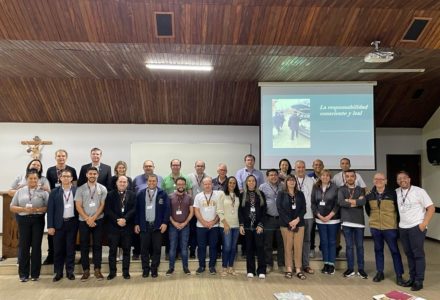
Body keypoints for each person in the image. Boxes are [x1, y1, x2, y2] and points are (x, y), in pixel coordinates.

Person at [395, 171, 435, 291]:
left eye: (405, 178)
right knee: (409, 254)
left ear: (409, 179)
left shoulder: (419, 191)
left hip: (416, 227)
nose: (402, 180)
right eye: (399, 179)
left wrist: (424, 224)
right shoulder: (396, 192)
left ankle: (419, 280)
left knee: (418, 254)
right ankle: (412, 278)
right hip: (403, 227)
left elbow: (431, 208)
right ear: (397, 181)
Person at [10, 169, 49, 282]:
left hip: (38, 220)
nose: (33, 180)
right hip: (23, 220)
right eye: (30, 178)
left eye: (35, 178)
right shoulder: (20, 191)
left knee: (36, 247)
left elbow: (48, 207)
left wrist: (36, 209)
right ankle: (23, 274)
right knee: (24, 247)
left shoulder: (43, 192)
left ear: (38, 179)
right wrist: (23, 209)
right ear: (27, 179)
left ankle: (35, 274)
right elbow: (12, 207)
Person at [365, 172, 404, 285]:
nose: (379, 181)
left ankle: (399, 275)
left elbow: (398, 210)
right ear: (373, 181)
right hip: (375, 227)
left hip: (390, 228)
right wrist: (374, 220)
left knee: (395, 251)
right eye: (376, 179)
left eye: (381, 179)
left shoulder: (393, 194)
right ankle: (380, 272)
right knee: (378, 250)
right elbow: (368, 210)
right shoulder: (370, 195)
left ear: (386, 181)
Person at [74, 166, 107, 281]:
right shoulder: (80, 189)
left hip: (98, 220)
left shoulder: (102, 188)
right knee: (84, 246)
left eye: (94, 174)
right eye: (90, 174)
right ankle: (86, 270)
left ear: (97, 175)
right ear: (87, 175)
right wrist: (87, 219)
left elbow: (102, 205)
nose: (92, 175)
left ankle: (97, 270)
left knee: (97, 245)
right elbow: (78, 205)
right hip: (84, 221)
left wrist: (93, 218)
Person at [45, 149, 78, 265]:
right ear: (55, 157)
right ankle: (52, 258)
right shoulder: (50, 170)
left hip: (71, 215)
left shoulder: (72, 170)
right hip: (57, 203)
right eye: (59, 156)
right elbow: (48, 187)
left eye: (63, 156)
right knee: (55, 243)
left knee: (70, 245)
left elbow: (74, 187)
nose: (61, 158)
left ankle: (70, 269)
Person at [135, 174, 170, 278]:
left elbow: (167, 210)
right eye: (150, 181)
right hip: (144, 225)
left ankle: (154, 269)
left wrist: (164, 223)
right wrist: (137, 223)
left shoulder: (162, 194)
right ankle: (145, 269)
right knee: (144, 249)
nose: (151, 183)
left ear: (157, 182)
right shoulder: (141, 194)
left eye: (154, 181)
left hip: (157, 226)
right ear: (147, 182)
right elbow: (137, 210)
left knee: (157, 249)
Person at [47, 169, 78, 282]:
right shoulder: (54, 192)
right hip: (58, 225)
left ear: (71, 178)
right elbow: (50, 210)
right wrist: (50, 226)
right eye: (63, 176)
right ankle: (58, 272)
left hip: (72, 224)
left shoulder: (76, 191)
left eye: (68, 176)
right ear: (60, 178)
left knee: (70, 249)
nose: (65, 178)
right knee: (58, 250)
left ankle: (70, 271)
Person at [105, 175, 136, 280]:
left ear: (127, 183)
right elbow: (108, 210)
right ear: (116, 183)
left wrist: (125, 219)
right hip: (114, 227)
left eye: (124, 182)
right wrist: (117, 220)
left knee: (127, 251)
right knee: (112, 251)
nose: (122, 184)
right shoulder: (110, 195)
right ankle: (112, 272)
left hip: (127, 227)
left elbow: (134, 209)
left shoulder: (132, 194)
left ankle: (126, 272)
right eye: (120, 182)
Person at [338, 169, 368, 279]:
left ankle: (361, 269)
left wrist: (349, 201)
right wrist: (356, 202)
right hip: (346, 221)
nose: (350, 178)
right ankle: (350, 269)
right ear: (345, 178)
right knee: (349, 246)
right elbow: (341, 202)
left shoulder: (360, 189)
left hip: (359, 222)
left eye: (352, 176)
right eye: (348, 176)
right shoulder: (341, 189)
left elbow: (363, 202)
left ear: (355, 178)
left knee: (360, 246)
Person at [277, 174, 306, 280]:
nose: (291, 182)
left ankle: (298, 269)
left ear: (295, 182)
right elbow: (280, 209)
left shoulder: (300, 194)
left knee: (298, 247)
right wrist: (290, 222)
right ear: (286, 182)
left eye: (293, 180)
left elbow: (303, 208)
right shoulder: (281, 194)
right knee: (288, 247)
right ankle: (289, 268)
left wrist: (297, 220)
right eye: (289, 180)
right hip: (286, 225)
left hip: (300, 224)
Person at [310, 169, 340, 275]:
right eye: (323, 175)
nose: (325, 177)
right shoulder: (316, 187)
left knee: (332, 242)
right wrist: (319, 215)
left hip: (333, 219)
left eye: (327, 175)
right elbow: (313, 203)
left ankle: (331, 264)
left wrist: (329, 216)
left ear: (330, 177)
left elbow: (337, 204)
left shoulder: (335, 187)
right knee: (324, 242)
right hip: (320, 219)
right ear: (320, 177)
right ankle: (326, 263)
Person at [239, 175, 267, 279]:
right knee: (249, 248)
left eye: (253, 181)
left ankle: (261, 270)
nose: (251, 182)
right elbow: (240, 212)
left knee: (260, 247)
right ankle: (250, 270)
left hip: (258, 225)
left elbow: (264, 211)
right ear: (246, 183)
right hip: (247, 226)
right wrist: (241, 224)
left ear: (256, 182)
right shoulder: (242, 195)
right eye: (249, 181)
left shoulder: (261, 194)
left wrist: (261, 224)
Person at [193, 177, 223, 275]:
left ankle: (212, 266)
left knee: (213, 247)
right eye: (205, 184)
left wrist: (213, 222)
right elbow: (196, 211)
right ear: (202, 185)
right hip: (201, 226)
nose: (207, 185)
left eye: (209, 183)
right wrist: (204, 222)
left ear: (212, 184)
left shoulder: (217, 196)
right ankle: (201, 266)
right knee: (201, 247)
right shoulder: (198, 196)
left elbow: (220, 211)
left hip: (214, 227)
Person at [166, 177, 193, 276]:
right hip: (173, 226)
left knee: (184, 248)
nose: (181, 186)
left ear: (185, 185)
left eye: (182, 184)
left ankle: (186, 268)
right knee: (172, 247)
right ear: (176, 185)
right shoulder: (170, 197)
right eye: (179, 184)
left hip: (185, 226)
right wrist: (174, 223)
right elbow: (167, 212)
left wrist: (185, 223)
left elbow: (192, 212)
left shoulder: (189, 197)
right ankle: (171, 268)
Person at [259, 169, 284, 273]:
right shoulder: (262, 187)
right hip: (268, 218)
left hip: (281, 219)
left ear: (278, 176)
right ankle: (268, 264)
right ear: (267, 176)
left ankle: (281, 264)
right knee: (268, 243)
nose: (273, 177)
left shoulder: (283, 186)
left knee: (281, 243)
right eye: (271, 175)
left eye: (275, 175)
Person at [294, 160, 315, 275]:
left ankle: (306, 264)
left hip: (308, 216)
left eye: (302, 167)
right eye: (298, 167)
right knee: (295, 242)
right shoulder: (291, 180)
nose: (300, 169)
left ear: (305, 168)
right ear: (295, 168)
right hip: (295, 217)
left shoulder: (311, 181)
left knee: (306, 241)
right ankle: (295, 264)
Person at [217, 176, 240, 276]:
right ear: (227, 183)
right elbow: (219, 210)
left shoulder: (238, 195)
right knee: (226, 247)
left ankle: (231, 267)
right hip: (225, 225)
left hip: (236, 225)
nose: (232, 185)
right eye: (230, 183)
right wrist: (225, 223)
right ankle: (224, 268)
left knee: (233, 248)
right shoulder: (222, 194)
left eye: (234, 183)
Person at [307, 159, 324, 258]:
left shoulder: (326, 176)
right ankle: (311, 248)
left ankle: (322, 248)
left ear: (323, 166)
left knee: (322, 229)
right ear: (313, 166)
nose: (317, 166)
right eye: (315, 165)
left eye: (319, 164)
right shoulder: (308, 177)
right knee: (311, 230)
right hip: (312, 207)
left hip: (323, 208)